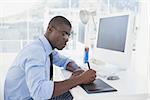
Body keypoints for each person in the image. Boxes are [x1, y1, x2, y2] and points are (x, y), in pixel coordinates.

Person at [4, 16, 96, 100]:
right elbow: (39, 92)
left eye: (68, 35)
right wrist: (79, 79)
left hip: (32, 96)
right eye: (64, 34)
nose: (67, 39)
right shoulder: (36, 51)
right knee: (74, 92)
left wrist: (77, 70)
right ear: (50, 29)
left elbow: (65, 61)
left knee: (72, 91)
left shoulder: (47, 49)